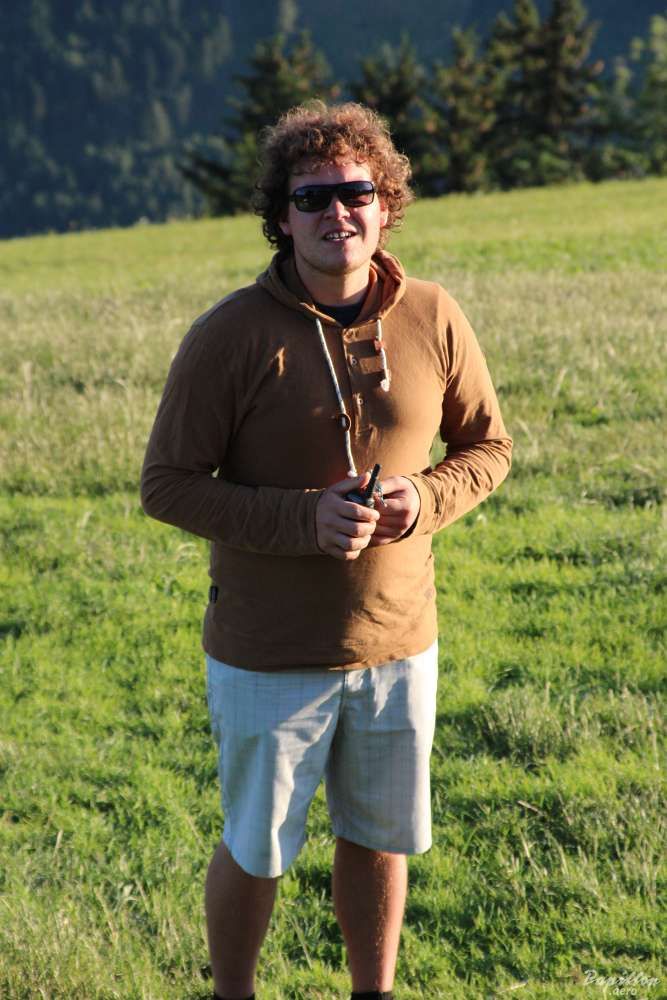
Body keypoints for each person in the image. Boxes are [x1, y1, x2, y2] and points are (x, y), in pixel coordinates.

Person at [140, 101, 512, 1000]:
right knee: (257, 846)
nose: (336, 213)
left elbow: (488, 447)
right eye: (312, 198)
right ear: (281, 216)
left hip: (398, 640)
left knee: (379, 837)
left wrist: (423, 499)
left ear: (385, 204)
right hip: (268, 653)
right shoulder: (229, 334)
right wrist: (304, 520)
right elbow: (167, 485)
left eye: (355, 193)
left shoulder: (432, 313)